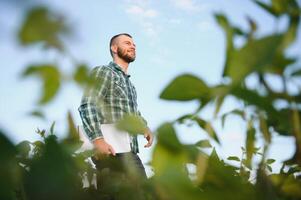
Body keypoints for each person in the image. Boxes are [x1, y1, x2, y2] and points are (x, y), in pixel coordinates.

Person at [78, 33, 153, 187]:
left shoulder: (130, 85)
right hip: (111, 150)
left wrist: (143, 126)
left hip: (128, 149)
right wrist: (98, 140)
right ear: (114, 48)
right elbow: (88, 105)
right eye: (127, 43)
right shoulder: (104, 72)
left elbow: (132, 113)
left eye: (134, 44)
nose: (132, 46)